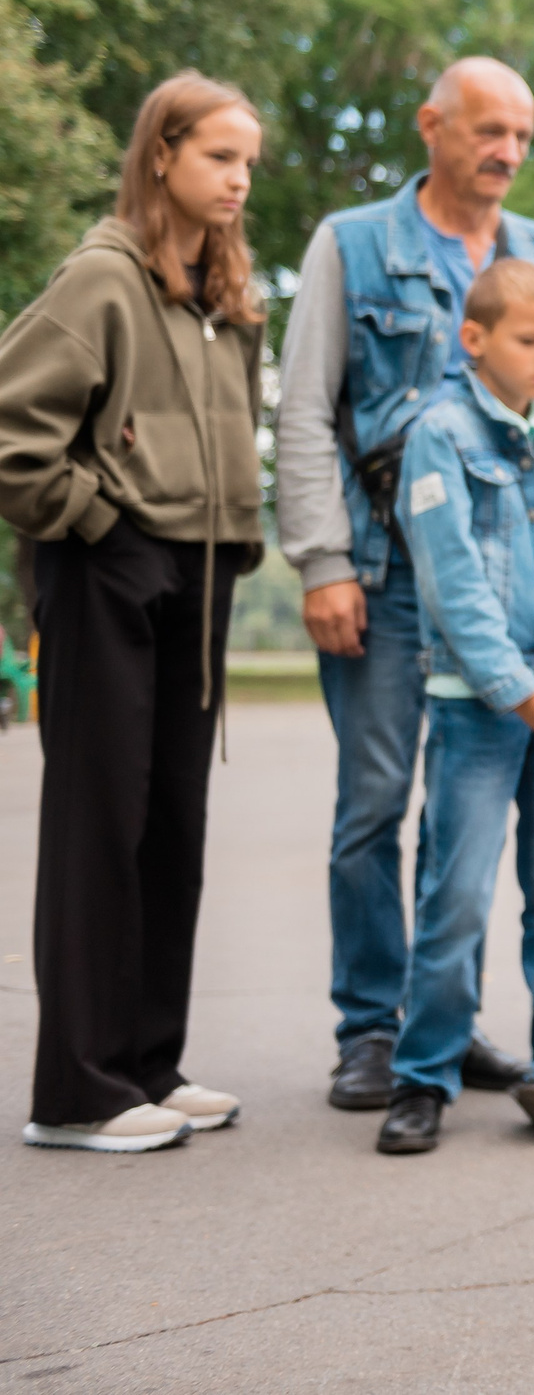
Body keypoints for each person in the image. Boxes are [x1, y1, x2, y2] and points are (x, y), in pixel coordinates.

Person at [276, 57, 534, 1112]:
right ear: (431, 126)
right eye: (486, 129)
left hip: (510, 593)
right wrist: (322, 559)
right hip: (379, 574)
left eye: (522, 133)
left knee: (477, 825)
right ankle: (372, 1030)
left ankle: (446, 1027)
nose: (506, 151)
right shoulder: (351, 241)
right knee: (373, 806)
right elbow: (305, 410)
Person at [0, 73, 266, 1152]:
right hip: (107, 572)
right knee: (97, 828)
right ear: (161, 153)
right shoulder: (100, 280)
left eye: (249, 162)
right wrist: (98, 524)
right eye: (218, 157)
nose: (238, 180)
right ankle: (76, 1089)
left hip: (194, 582)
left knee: (170, 829)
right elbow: (13, 433)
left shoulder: (223, 297)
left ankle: (148, 1059)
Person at [373, 259, 534, 1156]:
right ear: (473, 340)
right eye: (529, 341)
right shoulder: (439, 433)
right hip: (483, 708)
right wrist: (520, 690)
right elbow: (450, 582)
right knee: (458, 893)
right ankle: (423, 1074)